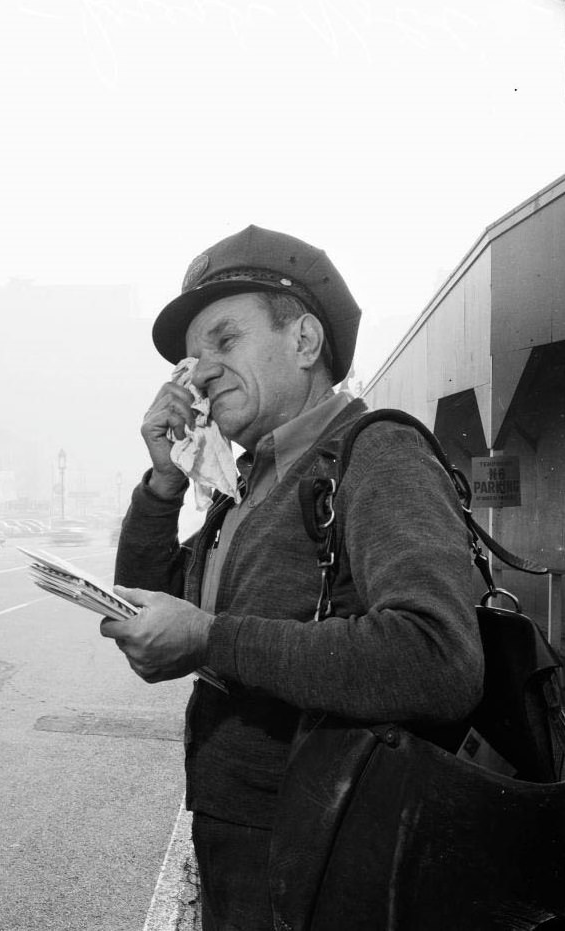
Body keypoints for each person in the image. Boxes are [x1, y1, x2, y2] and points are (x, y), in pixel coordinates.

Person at [101, 225, 484, 930]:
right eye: (192, 359)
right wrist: (162, 481)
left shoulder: (378, 456)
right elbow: (149, 605)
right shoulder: (247, 487)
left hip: (327, 857)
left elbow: (439, 657)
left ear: (305, 342)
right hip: (247, 851)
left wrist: (213, 640)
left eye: (224, 341)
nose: (200, 373)